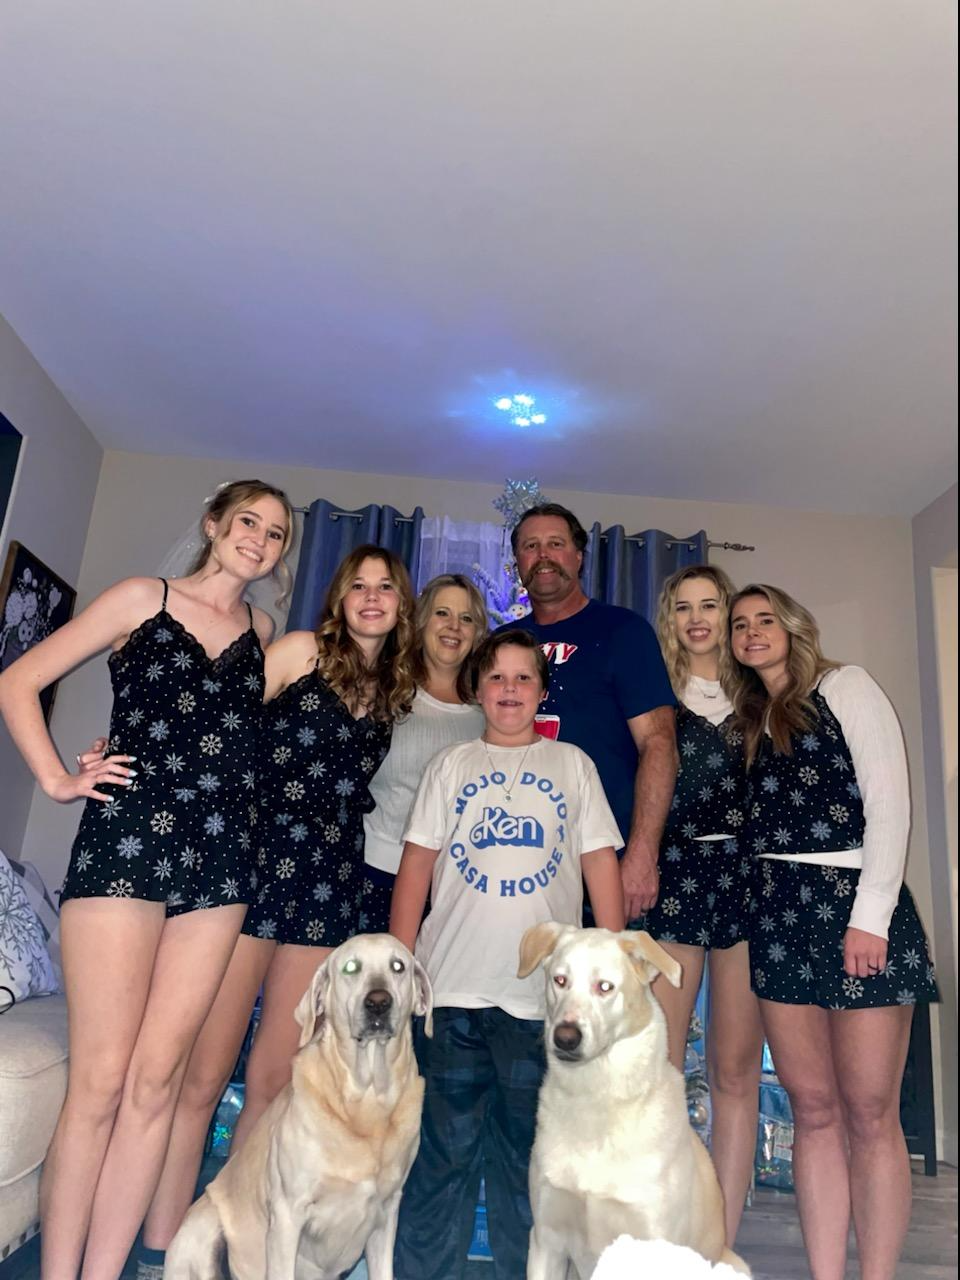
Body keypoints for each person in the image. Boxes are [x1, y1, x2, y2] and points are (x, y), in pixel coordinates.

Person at [0, 479, 293, 1280]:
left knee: (158, 1082)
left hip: (221, 861)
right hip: (125, 845)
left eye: (275, 534)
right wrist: (61, 778)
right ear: (212, 523)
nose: (260, 542)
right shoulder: (142, 597)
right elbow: (15, 680)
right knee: (99, 1081)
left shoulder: (264, 630)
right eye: (248, 523)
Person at [115, 544, 417, 1276]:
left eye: (386, 588)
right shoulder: (296, 650)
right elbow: (216, 726)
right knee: (201, 1076)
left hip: (326, 885)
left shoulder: (393, 690)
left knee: (275, 1082)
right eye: (359, 586)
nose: (372, 598)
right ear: (339, 597)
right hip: (250, 867)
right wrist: (128, 755)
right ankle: (163, 1250)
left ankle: (247, 1258)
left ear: (399, 604)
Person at [390, 629, 625, 1280]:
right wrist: (403, 967)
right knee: (442, 1157)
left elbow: (600, 862)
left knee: (530, 1162)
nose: (510, 690)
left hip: (540, 1006)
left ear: (542, 692)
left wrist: (616, 970)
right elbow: (415, 871)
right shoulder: (451, 766)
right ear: (477, 690)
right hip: (451, 994)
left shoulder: (572, 766)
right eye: (496, 678)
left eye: (524, 678)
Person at [729, 583, 939, 1280]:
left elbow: (890, 806)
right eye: (741, 624)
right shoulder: (750, 718)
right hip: (778, 916)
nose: (752, 632)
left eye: (765, 620)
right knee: (813, 1108)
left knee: (870, 1111)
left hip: (855, 909)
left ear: (792, 628)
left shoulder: (845, 686)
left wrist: (870, 918)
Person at [640, 564, 762, 1248]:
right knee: (657, 1066)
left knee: (733, 1072)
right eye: (683, 606)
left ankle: (716, 1243)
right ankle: (656, 1230)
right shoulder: (657, 700)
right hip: (676, 877)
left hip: (746, 883)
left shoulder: (758, 697)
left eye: (709, 605)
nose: (697, 618)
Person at [500, 503, 677, 921]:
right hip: (513, 859)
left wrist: (641, 854)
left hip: (602, 860)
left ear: (578, 557)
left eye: (555, 544)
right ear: (519, 562)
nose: (543, 555)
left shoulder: (624, 631)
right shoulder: (502, 642)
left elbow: (658, 743)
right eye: (530, 546)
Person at [359, 573, 488, 932]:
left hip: (455, 889)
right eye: (442, 613)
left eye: (467, 619)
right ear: (421, 622)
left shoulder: (489, 714)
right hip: (373, 874)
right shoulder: (384, 692)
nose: (454, 627)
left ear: (478, 633)